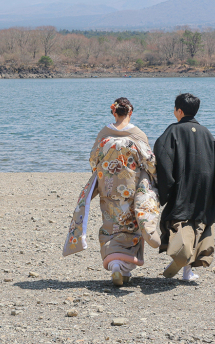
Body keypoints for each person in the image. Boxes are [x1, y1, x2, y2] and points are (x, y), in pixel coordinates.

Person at [63, 97, 161, 286]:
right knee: (131, 227)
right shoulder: (137, 136)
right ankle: (123, 268)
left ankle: (115, 264)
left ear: (114, 112)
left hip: (108, 187)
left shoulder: (104, 136)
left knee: (110, 225)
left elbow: (93, 161)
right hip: (130, 188)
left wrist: (104, 174)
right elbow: (150, 162)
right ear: (130, 113)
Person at [154, 93, 215, 282]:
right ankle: (187, 272)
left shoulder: (172, 132)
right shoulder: (206, 133)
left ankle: (181, 255)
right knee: (199, 223)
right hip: (204, 187)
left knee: (180, 221)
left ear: (179, 111)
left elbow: (162, 160)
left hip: (182, 185)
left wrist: (163, 187)